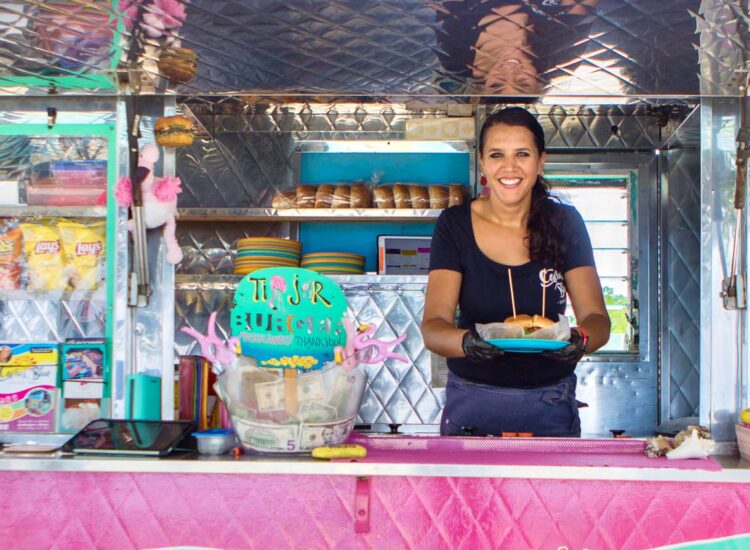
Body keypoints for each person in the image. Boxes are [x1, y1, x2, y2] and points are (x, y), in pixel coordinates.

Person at [421, 107, 610, 437]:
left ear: (540, 162)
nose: (509, 167)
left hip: (550, 403)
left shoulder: (565, 223)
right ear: (482, 162)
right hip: (473, 404)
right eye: (497, 154)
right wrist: (467, 343)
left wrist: (582, 340)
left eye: (522, 154)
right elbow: (433, 328)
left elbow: (598, 319)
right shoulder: (454, 225)